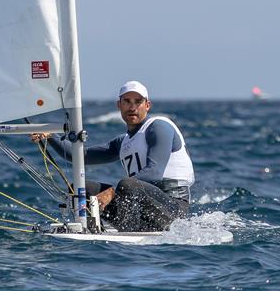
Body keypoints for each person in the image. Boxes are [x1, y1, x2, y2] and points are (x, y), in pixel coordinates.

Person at [31, 81, 194, 232]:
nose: (132, 107)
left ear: (147, 105)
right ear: (119, 105)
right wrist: (50, 137)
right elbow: (81, 156)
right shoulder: (123, 142)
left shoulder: (159, 127)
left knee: (127, 184)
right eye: (127, 101)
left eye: (138, 102)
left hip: (172, 209)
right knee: (81, 188)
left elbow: (154, 172)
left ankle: (130, 232)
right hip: (139, 208)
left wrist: (112, 192)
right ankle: (98, 230)